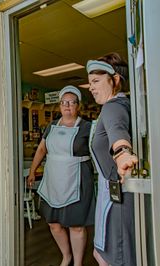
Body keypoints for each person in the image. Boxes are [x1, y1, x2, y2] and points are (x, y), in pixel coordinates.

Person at [27, 85, 95, 266]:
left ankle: (78, 262)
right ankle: (67, 256)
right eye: (64, 102)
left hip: (77, 179)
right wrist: (33, 170)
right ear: (59, 106)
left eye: (72, 103)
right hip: (54, 181)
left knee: (76, 225)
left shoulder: (88, 127)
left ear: (78, 106)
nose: (67, 106)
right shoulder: (51, 126)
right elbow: (42, 149)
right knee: (54, 223)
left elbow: (98, 152)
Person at [87, 53, 138, 266]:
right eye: (90, 83)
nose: (90, 87)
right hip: (115, 195)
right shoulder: (124, 104)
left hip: (118, 200)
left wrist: (122, 154)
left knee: (111, 258)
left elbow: (118, 134)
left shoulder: (112, 107)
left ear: (115, 80)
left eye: (96, 81)